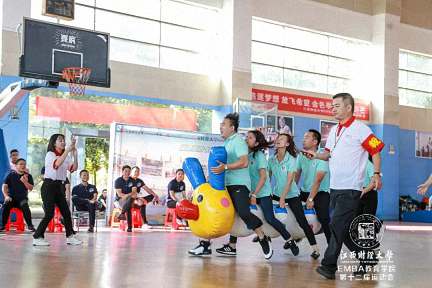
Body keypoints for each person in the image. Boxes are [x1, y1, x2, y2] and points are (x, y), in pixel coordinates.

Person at [303, 93, 384, 279]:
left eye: (337, 106)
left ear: (348, 107)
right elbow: (327, 154)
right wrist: (314, 155)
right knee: (341, 228)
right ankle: (368, 257)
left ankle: (329, 266)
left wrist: (376, 174)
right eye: (332, 106)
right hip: (335, 187)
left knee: (337, 224)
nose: (333, 109)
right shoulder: (334, 131)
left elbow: (376, 150)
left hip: (351, 188)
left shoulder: (361, 129)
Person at [189, 113, 273, 259]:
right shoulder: (227, 143)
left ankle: (262, 237)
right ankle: (205, 245)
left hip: (239, 184)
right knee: (213, 210)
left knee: (243, 213)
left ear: (232, 127)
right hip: (225, 184)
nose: (221, 127)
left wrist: (226, 167)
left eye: (224, 124)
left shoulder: (239, 142)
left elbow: (244, 162)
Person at [246, 130, 300, 255]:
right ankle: (234, 245)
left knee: (270, 218)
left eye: (250, 137)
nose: (246, 139)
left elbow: (264, 178)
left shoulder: (259, 156)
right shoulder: (247, 156)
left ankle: (289, 239)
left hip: (263, 193)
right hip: (253, 192)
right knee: (243, 213)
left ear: (256, 143)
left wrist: (255, 194)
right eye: (246, 137)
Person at [269, 133, 320, 259]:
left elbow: (289, 181)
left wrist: (282, 198)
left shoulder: (292, 159)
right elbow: (268, 178)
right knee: (267, 215)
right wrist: (267, 193)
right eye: (278, 138)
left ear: (287, 144)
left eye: (282, 139)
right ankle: (266, 239)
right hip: (276, 193)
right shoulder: (271, 159)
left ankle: (315, 249)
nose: (278, 140)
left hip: (291, 194)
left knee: (302, 221)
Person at [33, 134, 82, 246]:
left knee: (66, 212)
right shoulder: (50, 154)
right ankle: (37, 237)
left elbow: (73, 168)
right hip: (49, 186)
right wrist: (68, 150)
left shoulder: (66, 156)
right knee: (49, 214)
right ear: (54, 143)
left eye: (64, 140)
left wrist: (74, 153)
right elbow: (56, 164)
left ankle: (70, 236)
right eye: (60, 140)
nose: (63, 142)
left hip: (59, 186)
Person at [296, 129, 331, 244]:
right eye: (304, 137)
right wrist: (291, 191)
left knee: (324, 218)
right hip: (305, 191)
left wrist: (310, 199)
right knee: (290, 207)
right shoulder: (301, 156)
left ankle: (332, 245)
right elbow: (296, 175)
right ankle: (296, 236)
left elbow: (318, 180)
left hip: (320, 192)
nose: (303, 140)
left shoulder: (322, 156)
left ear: (315, 141)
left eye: (306, 137)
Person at [0, 158, 35, 232]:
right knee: (5, 205)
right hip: (11, 198)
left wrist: (25, 181)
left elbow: (31, 188)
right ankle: (2, 225)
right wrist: (6, 196)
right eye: (21, 164)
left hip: (22, 199)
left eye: (24, 164)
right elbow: (4, 187)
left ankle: (30, 226)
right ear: (16, 166)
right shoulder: (10, 175)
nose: (23, 166)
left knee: (25, 205)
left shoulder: (28, 176)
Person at [114, 165, 137, 232]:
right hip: (119, 200)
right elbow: (119, 194)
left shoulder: (133, 180)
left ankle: (122, 214)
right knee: (129, 206)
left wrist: (127, 196)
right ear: (122, 171)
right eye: (126, 171)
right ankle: (129, 227)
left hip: (128, 200)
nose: (127, 173)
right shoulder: (118, 181)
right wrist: (128, 195)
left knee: (129, 201)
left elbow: (134, 191)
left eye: (129, 171)